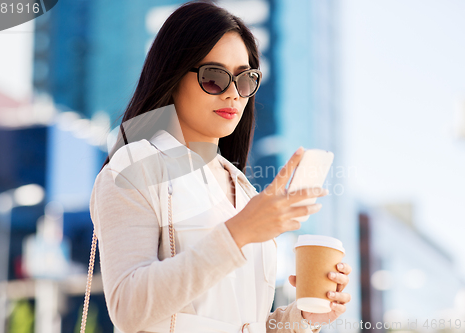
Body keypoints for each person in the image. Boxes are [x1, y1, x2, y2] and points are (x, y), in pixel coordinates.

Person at [89, 1, 352, 333]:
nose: (232, 94)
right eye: (214, 78)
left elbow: (241, 324)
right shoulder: (133, 168)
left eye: (245, 80)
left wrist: (302, 317)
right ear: (173, 75)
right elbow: (129, 307)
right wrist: (239, 232)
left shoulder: (242, 189)